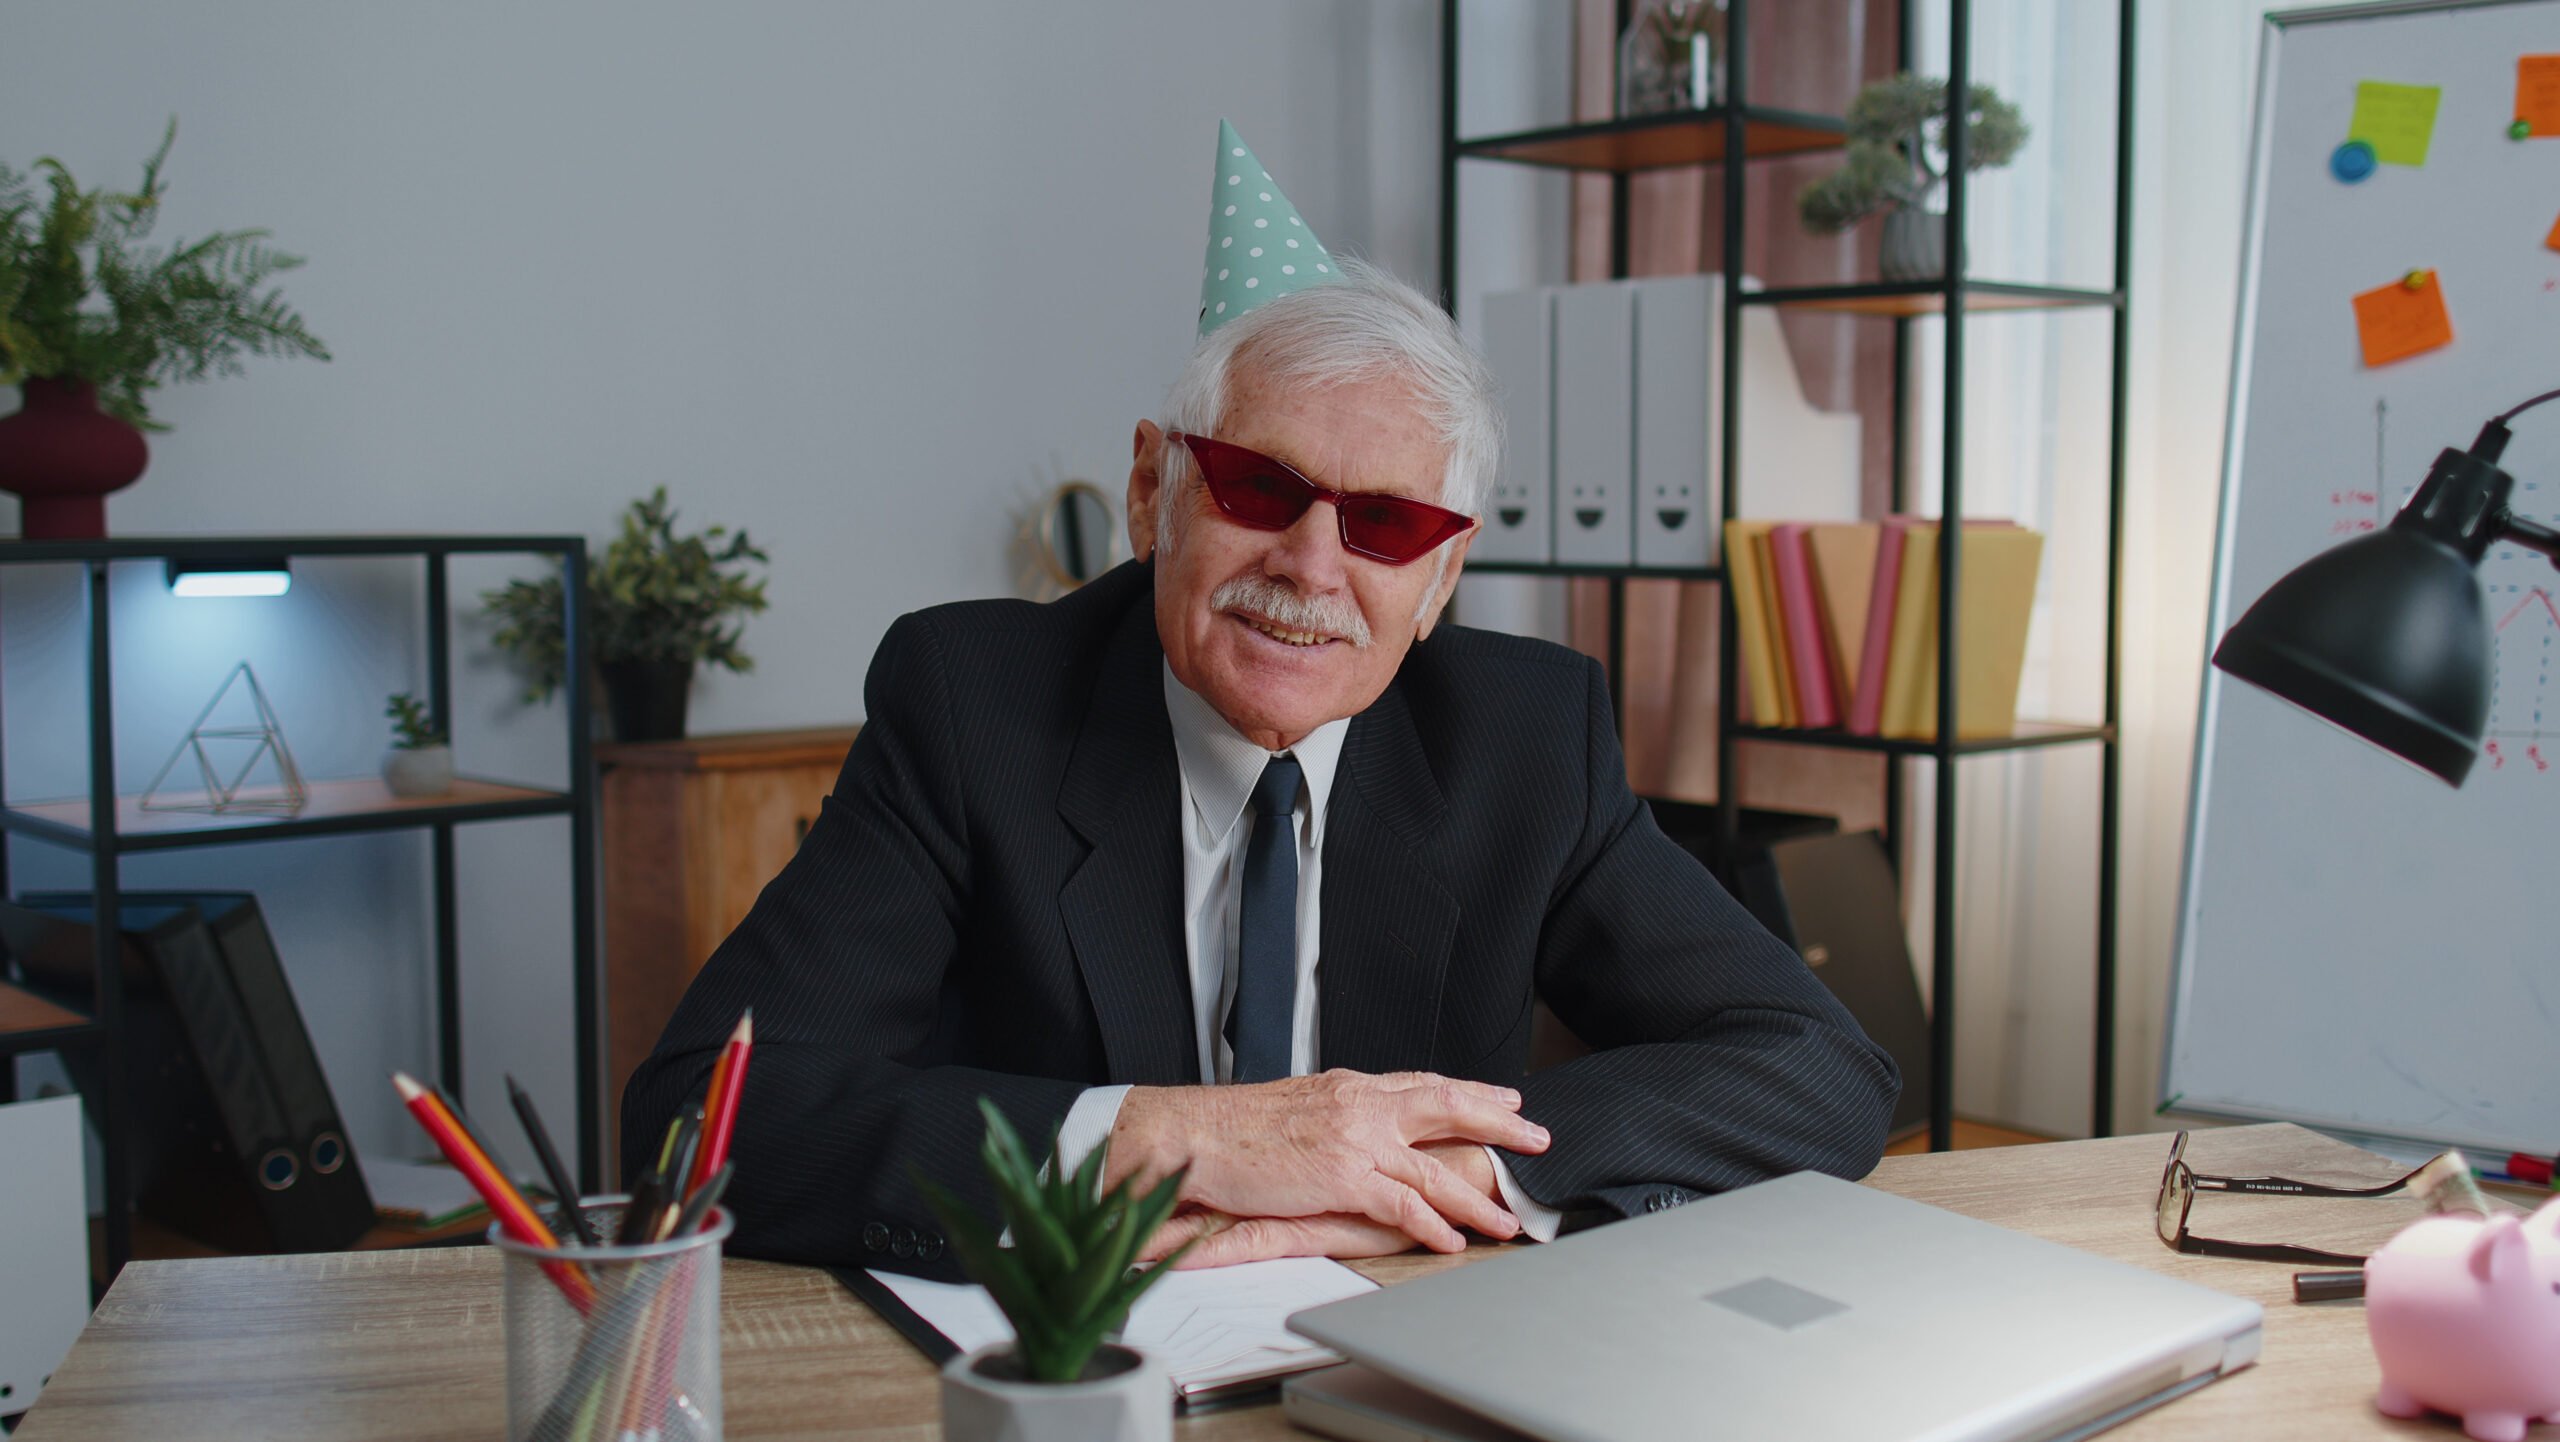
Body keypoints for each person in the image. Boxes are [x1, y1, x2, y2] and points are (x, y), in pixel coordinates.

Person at [624, 122, 1896, 1280]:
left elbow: (1820, 1066)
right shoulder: (973, 707)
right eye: (1253, 487)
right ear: (1150, 490)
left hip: (1406, 1340)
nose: (1312, 564)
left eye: (1387, 523)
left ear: (1442, 577)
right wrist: (1174, 1138)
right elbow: (696, 1118)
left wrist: (1455, 1168)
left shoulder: (1527, 740)